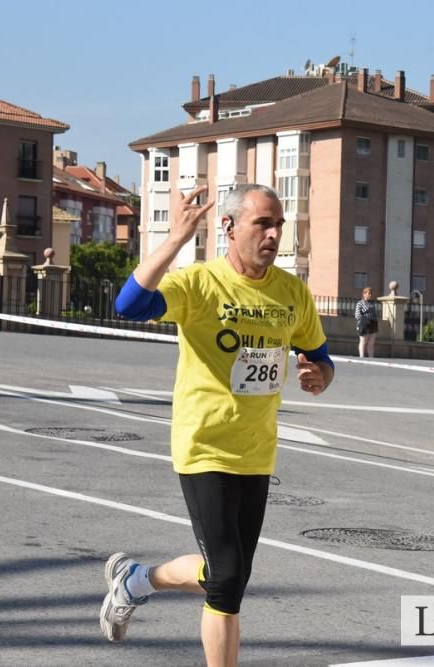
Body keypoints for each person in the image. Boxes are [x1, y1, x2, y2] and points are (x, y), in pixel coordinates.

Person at [106, 184, 334, 667]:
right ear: (229, 227)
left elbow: (320, 357)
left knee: (225, 575)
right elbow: (128, 305)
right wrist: (174, 238)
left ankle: (136, 581)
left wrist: (319, 376)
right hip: (203, 444)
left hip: (256, 451)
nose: (274, 235)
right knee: (227, 581)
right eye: (262, 224)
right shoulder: (199, 283)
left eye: (278, 225)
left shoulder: (291, 292)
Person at [355, 286, 379, 358]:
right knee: (363, 341)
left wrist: (376, 322)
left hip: (373, 324)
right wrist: (361, 322)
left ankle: (371, 357)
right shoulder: (360, 303)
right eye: (369, 293)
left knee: (371, 342)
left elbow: (375, 314)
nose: (370, 295)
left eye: (371, 293)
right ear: (364, 294)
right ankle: (362, 357)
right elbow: (357, 314)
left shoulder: (372, 304)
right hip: (364, 324)